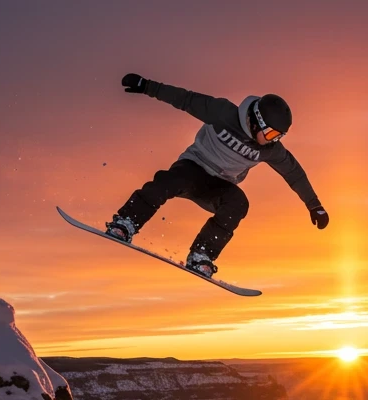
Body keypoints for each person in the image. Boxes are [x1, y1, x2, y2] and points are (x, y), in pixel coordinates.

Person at [108, 73, 329, 278]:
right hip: (193, 167)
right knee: (169, 180)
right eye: (270, 133)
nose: (273, 140)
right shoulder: (223, 113)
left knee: (239, 203)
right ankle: (126, 223)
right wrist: (147, 86)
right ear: (256, 119)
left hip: (219, 186)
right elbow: (186, 99)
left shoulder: (270, 149)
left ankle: (201, 254)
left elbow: (294, 174)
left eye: (279, 136)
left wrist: (314, 205)